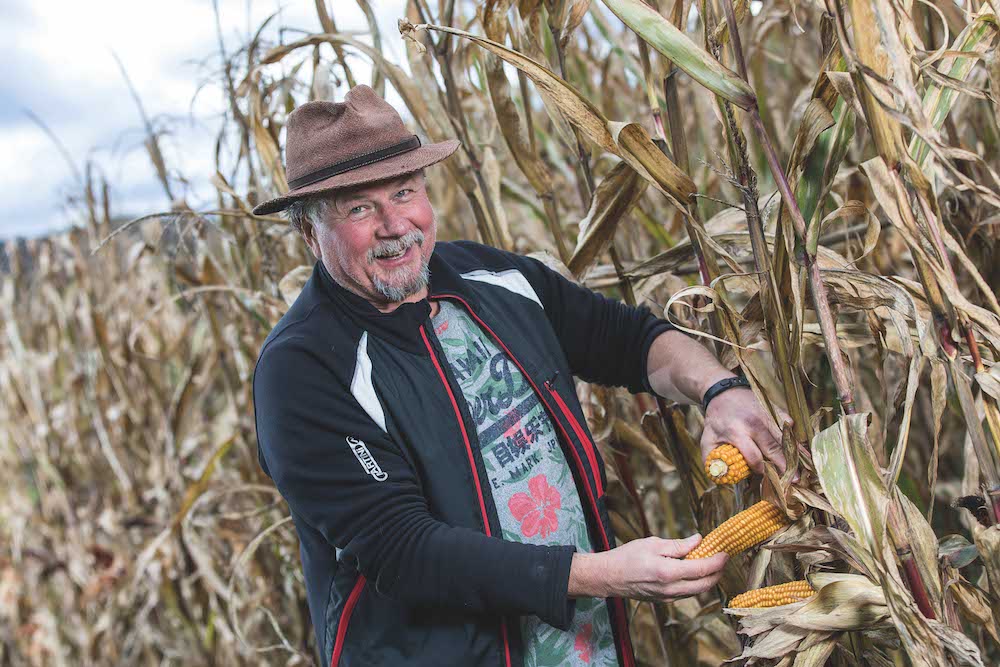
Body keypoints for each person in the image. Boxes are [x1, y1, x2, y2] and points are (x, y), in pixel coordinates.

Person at [252, 85, 788, 667]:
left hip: (586, 649)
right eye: (358, 208)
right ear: (310, 233)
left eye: (404, 192)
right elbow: (401, 550)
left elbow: (628, 340)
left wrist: (719, 391)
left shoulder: (493, 276)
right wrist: (604, 575)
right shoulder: (303, 368)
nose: (392, 224)